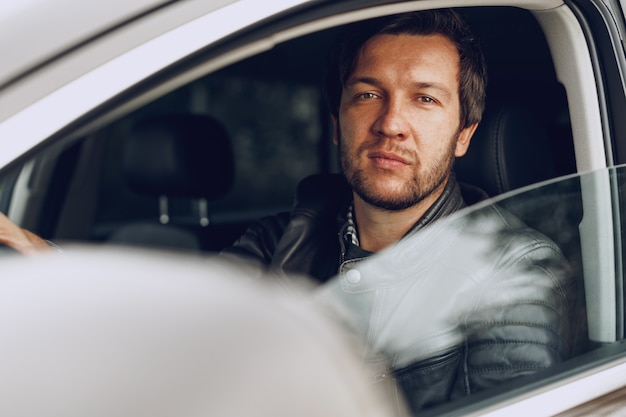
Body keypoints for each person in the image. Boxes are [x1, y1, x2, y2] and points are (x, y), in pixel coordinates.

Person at [0, 8, 572, 414]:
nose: (391, 122)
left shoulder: (513, 269)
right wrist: (47, 262)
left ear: (464, 134)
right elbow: (186, 315)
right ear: (337, 122)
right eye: (368, 93)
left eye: (425, 98)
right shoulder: (291, 232)